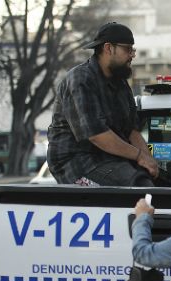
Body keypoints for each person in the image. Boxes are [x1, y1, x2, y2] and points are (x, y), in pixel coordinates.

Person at [47, 22, 159, 187]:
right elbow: (97, 135)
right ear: (108, 48)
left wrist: (149, 160)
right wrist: (139, 156)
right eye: (128, 49)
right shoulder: (80, 79)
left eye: (132, 50)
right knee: (139, 185)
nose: (132, 55)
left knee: (165, 180)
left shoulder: (120, 82)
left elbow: (132, 131)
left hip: (109, 160)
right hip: (77, 163)